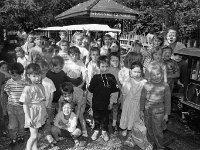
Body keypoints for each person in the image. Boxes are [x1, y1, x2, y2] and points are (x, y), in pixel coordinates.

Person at [140, 63, 171, 150]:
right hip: (148, 109)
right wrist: (141, 110)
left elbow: (168, 101)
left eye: (158, 74)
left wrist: (166, 114)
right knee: (148, 127)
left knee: (158, 130)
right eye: (153, 74)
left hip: (159, 111)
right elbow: (142, 98)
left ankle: (160, 146)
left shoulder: (165, 86)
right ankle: (150, 144)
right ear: (150, 75)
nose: (156, 76)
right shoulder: (146, 85)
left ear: (162, 73)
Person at [88, 55, 119, 141]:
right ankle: (96, 130)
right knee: (96, 117)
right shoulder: (95, 78)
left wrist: (111, 102)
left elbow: (115, 91)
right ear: (98, 66)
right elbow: (90, 92)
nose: (105, 69)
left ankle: (104, 131)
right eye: (102, 66)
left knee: (105, 118)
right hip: (96, 103)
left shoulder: (111, 77)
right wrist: (91, 103)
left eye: (106, 66)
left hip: (106, 103)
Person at [19, 63, 47, 150]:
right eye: (34, 76)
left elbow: (42, 101)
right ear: (28, 76)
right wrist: (28, 117)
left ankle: (35, 148)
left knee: (36, 132)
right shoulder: (28, 88)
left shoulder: (40, 86)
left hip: (39, 112)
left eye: (38, 75)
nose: (37, 78)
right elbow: (25, 104)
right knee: (34, 135)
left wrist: (45, 112)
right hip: (32, 113)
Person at [120, 62, 146, 137]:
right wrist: (123, 103)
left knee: (135, 118)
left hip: (137, 103)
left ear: (141, 72)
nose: (137, 74)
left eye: (139, 72)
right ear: (131, 71)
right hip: (128, 103)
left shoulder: (144, 82)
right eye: (135, 72)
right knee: (126, 116)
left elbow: (144, 96)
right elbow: (124, 93)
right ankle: (125, 128)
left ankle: (131, 130)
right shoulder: (127, 81)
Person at [4, 63, 27, 145]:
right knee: (12, 124)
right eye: (12, 75)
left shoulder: (24, 82)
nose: (12, 77)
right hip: (11, 107)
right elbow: (6, 91)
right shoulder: (9, 82)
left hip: (21, 107)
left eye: (15, 76)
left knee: (22, 123)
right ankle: (13, 137)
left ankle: (21, 135)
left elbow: (28, 92)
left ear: (21, 74)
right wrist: (11, 97)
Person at [35, 59, 56, 139]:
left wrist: (49, 104)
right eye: (41, 71)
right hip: (38, 106)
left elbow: (51, 93)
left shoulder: (49, 81)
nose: (43, 73)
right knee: (38, 119)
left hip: (47, 106)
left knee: (47, 120)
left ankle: (47, 133)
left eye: (45, 71)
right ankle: (38, 132)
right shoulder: (34, 82)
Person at [46, 56, 70, 120]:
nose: (59, 70)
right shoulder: (48, 74)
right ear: (52, 66)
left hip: (60, 97)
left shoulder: (62, 73)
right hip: (51, 98)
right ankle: (50, 124)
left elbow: (67, 80)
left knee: (60, 113)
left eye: (61, 68)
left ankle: (59, 122)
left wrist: (76, 81)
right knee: (50, 113)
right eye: (57, 68)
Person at [108, 52, 121, 133]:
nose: (115, 62)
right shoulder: (107, 70)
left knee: (115, 109)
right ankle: (104, 123)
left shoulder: (120, 71)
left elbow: (121, 84)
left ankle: (114, 124)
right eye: (113, 60)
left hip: (116, 93)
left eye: (117, 60)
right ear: (109, 61)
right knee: (107, 108)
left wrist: (121, 95)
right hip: (107, 93)